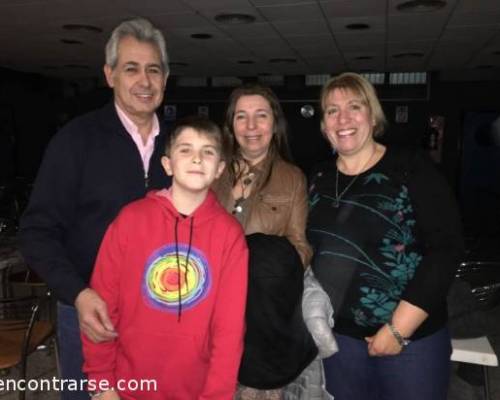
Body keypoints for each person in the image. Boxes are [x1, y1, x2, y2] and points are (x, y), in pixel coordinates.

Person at [19, 18, 170, 399]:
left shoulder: (179, 145)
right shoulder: (75, 141)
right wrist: (79, 293)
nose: (144, 81)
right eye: (131, 68)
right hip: (89, 314)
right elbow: (37, 232)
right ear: (110, 75)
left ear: (165, 78)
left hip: (161, 314)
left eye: (153, 69)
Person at [307, 72, 464, 400]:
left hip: (411, 341)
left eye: (354, 106)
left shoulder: (409, 167)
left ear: (372, 115)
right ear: (323, 125)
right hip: (339, 340)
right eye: (332, 111)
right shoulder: (315, 178)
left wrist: (398, 329)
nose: (343, 118)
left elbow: (446, 249)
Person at [82, 116, 248, 400]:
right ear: (167, 163)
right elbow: (102, 306)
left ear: (220, 168)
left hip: (195, 389)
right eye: (185, 149)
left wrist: (217, 395)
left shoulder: (229, 234)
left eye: (208, 151)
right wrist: (101, 382)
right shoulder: (130, 220)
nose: (197, 158)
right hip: (127, 386)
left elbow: (230, 329)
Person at [212, 83, 320, 400]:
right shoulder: (210, 171)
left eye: (261, 115)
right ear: (231, 125)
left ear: (275, 123)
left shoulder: (292, 177)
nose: (251, 126)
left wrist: (265, 270)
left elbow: (300, 246)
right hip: (213, 313)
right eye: (241, 116)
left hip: (264, 321)